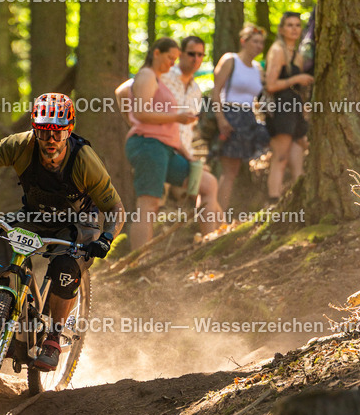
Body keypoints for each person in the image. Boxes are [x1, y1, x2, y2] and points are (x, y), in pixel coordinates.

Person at [0, 92, 125, 372]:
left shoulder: (84, 160)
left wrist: (106, 238)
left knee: (66, 269)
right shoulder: (19, 145)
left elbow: (116, 208)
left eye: (58, 132)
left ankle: (54, 337)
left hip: (78, 222)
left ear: (69, 130)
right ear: (35, 128)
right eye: (44, 131)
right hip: (34, 215)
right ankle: (8, 312)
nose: (51, 139)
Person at [114, 37, 199, 250]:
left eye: (175, 59)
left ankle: (208, 241)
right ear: (156, 53)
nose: (173, 63)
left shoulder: (160, 80)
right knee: (148, 203)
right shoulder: (146, 75)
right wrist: (176, 116)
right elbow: (141, 112)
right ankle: (139, 258)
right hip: (148, 146)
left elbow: (163, 121)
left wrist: (185, 152)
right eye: (170, 57)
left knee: (205, 183)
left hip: (167, 149)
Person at [163, 35, 223, 235]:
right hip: (160, 148)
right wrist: (136, 126)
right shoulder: (163, 76)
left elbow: (190, 130)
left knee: (209, 188)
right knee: (152, 203)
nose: (196, 59)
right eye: (191, 54)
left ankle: (212, 240)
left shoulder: (196, 89)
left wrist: (194, 158)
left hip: (183, 153)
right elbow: (125, 91)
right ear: (180, 54)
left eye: (200, 55)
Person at [211, 24, 270, 211]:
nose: (259, 46)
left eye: (261, 43)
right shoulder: (230, 60)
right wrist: (221, 120)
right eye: (255, 41)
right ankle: (218, 218)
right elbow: (216, 91)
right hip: (230, 116)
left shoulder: (257, 69)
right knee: (229, 171)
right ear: (244, 42)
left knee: (237, 170)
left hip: (248, 118)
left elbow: (260, 98)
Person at [263, 11, 315, 202]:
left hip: (295, 109)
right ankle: (273, 200)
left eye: (297, 25)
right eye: (290, 25)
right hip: (280, 108)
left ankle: (300, 201)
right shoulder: (277, 50)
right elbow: (270, 85)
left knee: (299, 152)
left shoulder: (298, 55)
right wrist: (296, 78)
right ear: (282, 29)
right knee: (281, 156)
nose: (294, 29)